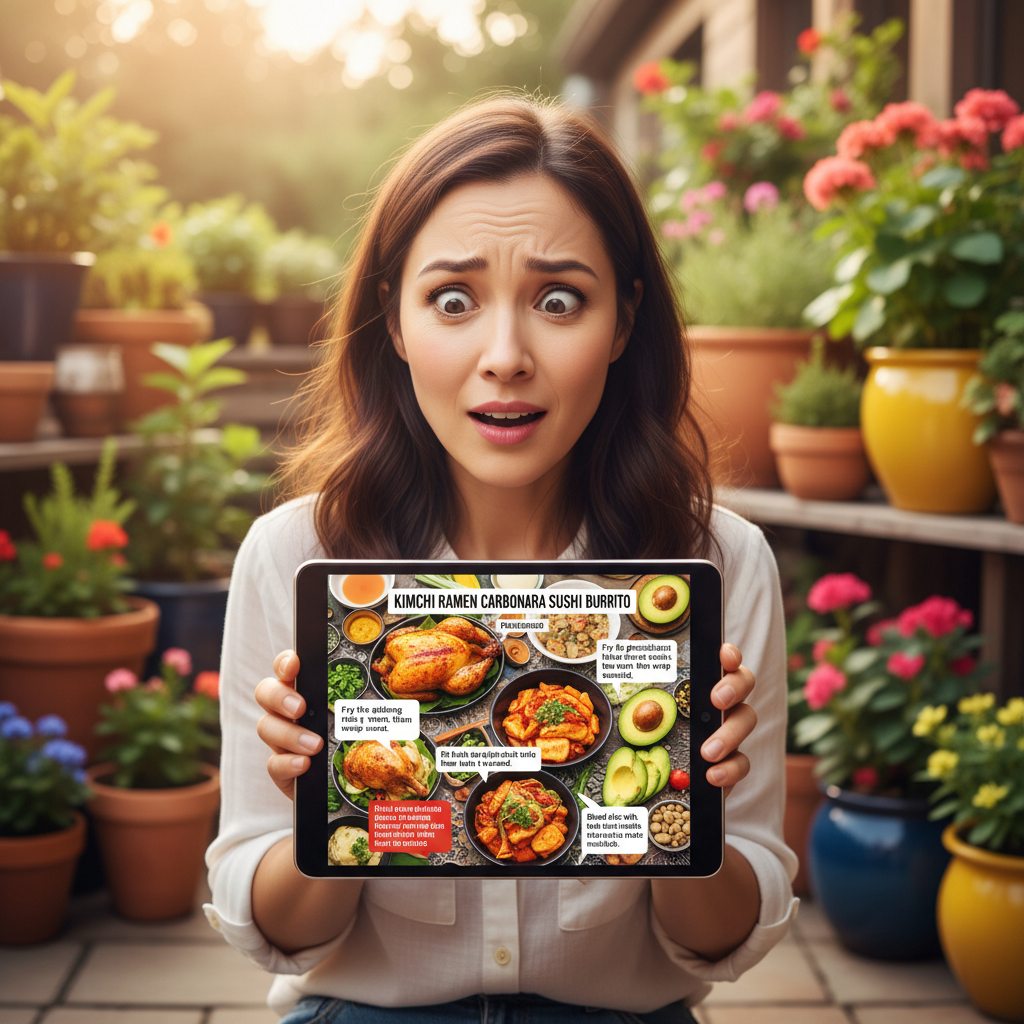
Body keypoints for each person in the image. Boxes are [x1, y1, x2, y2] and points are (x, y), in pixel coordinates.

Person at [204, 96, 797, 1023]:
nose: (506, 356)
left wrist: (694, 816)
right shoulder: (296, 557)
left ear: (625, 321)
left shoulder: (717, 563)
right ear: (394, 323)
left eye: (560, 300)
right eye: (453, 300)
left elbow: (718, 943)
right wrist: (325, 809)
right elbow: (280, 931)